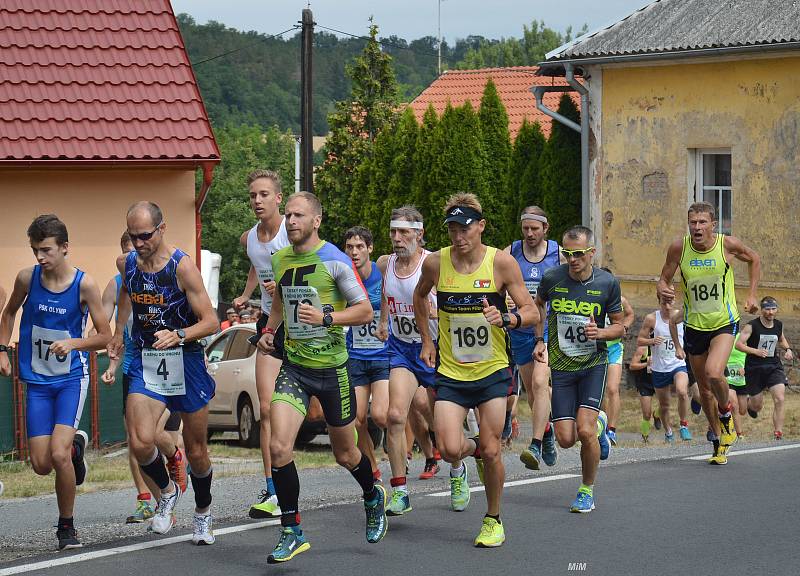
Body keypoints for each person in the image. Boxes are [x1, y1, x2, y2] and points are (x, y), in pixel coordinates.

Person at [259, 192, 387, 564]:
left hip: (333, 371)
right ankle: (292, 530)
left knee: (346, 454)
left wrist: (327, 318)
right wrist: (270, 331)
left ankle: (371, 494)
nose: (290, 221)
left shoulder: (336, 260)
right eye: (287, 215)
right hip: (296, 369)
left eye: (298, 215)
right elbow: (281, 304)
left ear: (316, 220)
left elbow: (364, 311)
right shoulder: (280, 258)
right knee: (279, 447)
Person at [415, 193, 539, 547]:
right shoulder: (436, 263)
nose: (458, 235)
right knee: (450, 449)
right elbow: (419, 297)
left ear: (481, 226)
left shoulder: (501, 263)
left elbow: (532, 312)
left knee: (494, 449)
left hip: (492, 371)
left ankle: (493, 518)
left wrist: (509, 317)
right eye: (453, 228)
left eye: (465, 227)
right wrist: (427, 340)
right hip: (452, 373)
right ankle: (477, 449)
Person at [108, 202, 220, 544]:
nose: (139, 243)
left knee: (197, 450)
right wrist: (117, 332)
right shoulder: (127, 263)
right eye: (133, 236)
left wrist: (180, 334)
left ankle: (203, 512)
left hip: (185, 359)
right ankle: (167, 492)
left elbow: (211, 320)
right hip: (148, 358)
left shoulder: (182, 267)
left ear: (162, 228)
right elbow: (126, 295)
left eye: (145, 236)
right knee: (141, 440)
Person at [0, 214, 111, 550]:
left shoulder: (84, 284)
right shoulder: (26, 278)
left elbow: (106, 336)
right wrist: (2, 350)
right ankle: (78, 445)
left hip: (69, 380)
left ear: (65, 247)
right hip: (37, 382)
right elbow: (8, 313)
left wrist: (73, 343)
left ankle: (66, 527)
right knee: (40, 464)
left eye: (46, 250)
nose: (40, 257)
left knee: (58, 456)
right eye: (35, 250)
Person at [659, 201, 760, 465]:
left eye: (703, 222)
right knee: (703, 390)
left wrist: (751, 294)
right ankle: (718, 441)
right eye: (693, 222)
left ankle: (726, 414)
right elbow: (664, 277)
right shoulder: (679, 248)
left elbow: (754, 258)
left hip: (724, 321)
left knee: (714, 373)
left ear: (713, 225)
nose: (697, 227)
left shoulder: (726, 245)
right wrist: (663, 290)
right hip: (694, 325)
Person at [533, 225, 623, 513]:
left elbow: (620, 325)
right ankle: (598, 425)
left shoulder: (607, 283)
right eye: (567, 253)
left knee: (583, 432)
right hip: (562, 367)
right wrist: (539, 339)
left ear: (592, 253)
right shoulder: (551, 278)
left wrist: (603, 334)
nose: (572, 259)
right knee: (566, 438)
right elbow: (538, 306)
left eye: (579, 254)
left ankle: (586, 490)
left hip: (593, 365)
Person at [100, 231, 187, 523]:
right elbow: (107, 324)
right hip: (135, 366)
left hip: (172, 361)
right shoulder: (117, 286)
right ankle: (151, 500)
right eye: (127, 254)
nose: (133, 258)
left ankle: (175, 458)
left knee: (160, 434)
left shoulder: (169, 271)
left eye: (137, 250)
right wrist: (109, 360)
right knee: (137, 439)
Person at [376, 206, 454, 516]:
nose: (396, 238)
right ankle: (400, 490)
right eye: (393, 232)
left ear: (419, 235)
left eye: (403, 232)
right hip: (401, 349)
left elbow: (452, 301)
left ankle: (457, 467)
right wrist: (384, 320)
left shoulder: (433, 264)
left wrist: (438, 314)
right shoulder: (385, 263)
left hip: (435, 349)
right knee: (395, 416)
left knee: (443, 426)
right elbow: (386, 293)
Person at [230, 169, 290, 519]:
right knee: (265, 408)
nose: (257, 201)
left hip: (301, 327)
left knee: (338, 423)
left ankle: (366, 476)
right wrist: (246, 293)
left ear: (278, 198)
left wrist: (283, 286)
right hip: (269, 325)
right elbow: (257, 265)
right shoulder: (249, 238)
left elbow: (313, 267)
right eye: (253, 195)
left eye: (264, 194)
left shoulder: (291, 232)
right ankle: (272, 489)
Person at [504, 206, 563, 470]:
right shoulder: (511, 251)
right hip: (520, 330)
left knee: (541, 384)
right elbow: (496, 282)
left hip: (548, 330)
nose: (529, 234)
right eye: (525, 228)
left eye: (534, 229)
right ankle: (547, 431)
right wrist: (502, 300)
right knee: (531, 393)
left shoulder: (558, 254)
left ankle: (536, 443)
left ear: (545, 229)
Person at [344, 226, 389, 482]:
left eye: (360, 246)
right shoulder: (344, 278)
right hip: (356, 355)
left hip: (383, 355)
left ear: (370, 249)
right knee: (357, 419)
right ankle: (372, 468)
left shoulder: (381, 274)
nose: (354, 252)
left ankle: (401, 440)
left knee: (382, 415)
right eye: (350, 247)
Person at [736, 296, 793, 440]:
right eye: (767, 309)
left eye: (773, 309)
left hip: (773, 366)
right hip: (754, 368)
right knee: (757, 406)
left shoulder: (778, 325)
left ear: (776, 310)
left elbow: (781, 339)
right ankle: (750, 405)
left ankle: (778, 433)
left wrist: (788, 350)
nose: (770, 312)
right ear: (762, 310)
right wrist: (755, 351)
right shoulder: (752, 326)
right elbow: (739, 344)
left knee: (780, 398)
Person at [637, 295, 692, 442]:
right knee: (664, 405)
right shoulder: (651, 318)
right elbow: (639, 340)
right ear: (659, 302)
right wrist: (652, 341)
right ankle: (668, 432)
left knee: (682, 391)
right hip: (659, 368)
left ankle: (683, 425)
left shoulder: (682, 316)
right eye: (664, 302)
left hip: (678, 363)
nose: (667, 306)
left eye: (670, 302)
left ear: (675, 301)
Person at [599, 268, 635, 445]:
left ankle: (612, 430)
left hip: (613, 349)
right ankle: (603, 425)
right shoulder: (592, 297)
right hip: (596, 349)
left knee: (613, 389)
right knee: (599, 392)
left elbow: (630, 314)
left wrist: (625, 327)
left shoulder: (620, 300)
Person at [628, 345, 655, 442]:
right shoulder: (643, 348)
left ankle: (657, 415)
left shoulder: (664, 346)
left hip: (660, 381)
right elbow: (632, 366)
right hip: (645, 383)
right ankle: (645, 436)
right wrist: (646, 364)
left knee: (665, 406)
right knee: (647, 414)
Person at [724, 335, 747, 438]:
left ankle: (749, 400)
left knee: (742, 410)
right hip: (727, 376)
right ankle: (739, 434)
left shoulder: (744, 338)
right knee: (734, 405)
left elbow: (752, 356)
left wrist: (746, 368)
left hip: (741, 378)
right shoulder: (723, 337)